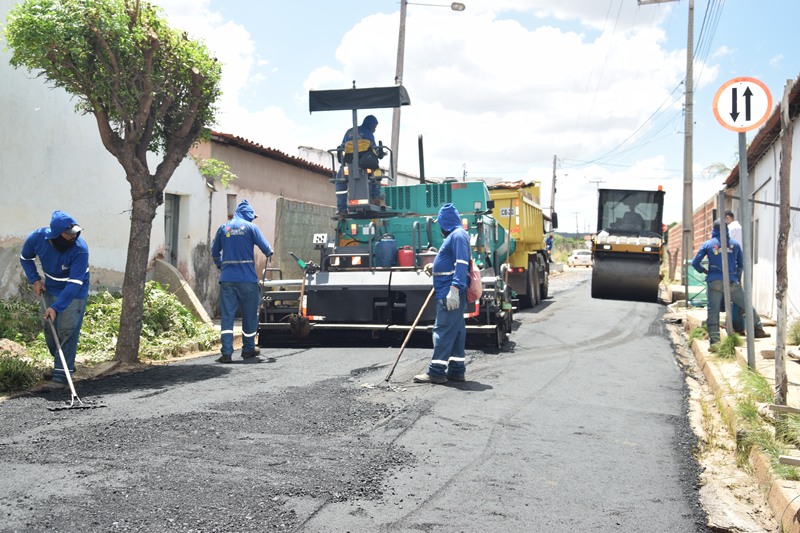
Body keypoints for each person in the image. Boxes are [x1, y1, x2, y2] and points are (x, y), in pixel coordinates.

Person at [19, 210, 90, 385]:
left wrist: (57, 307)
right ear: (57, 234)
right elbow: (25, 258)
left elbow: (74, 283)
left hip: (74, 292)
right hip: (51, 288)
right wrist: (35, 280)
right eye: (69, 234)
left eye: (75, 232)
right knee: (49, 330)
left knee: (67, 331)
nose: (74, 236)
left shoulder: (80, 249)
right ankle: (64, 364)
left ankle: (61, 375)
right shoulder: (37, 238)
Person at [211, 199, 273, 363]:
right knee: (250, 315)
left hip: (227, 280)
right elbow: (267, 249)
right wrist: (269, 252)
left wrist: (221, 265)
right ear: (248, 215)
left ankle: (226, 353)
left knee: (227, 316)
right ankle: (248, 349)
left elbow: (214, 252)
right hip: (247, 280)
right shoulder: (251, 228)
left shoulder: (224, 228)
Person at [414, 203, 470, 384]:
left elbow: (462, 263)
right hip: (449, 289)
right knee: (456, 331)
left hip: (449, 291)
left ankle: (436, 371)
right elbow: (452, 262)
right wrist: (435, 268)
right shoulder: (457, 235)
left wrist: (454, 288)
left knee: (443, 330)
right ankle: (456, 370)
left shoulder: (457, 235)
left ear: (445, 222)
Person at [691, 219, 769, 346]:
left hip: (715, 282)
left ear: (714, 229)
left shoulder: (708, 244)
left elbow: (695, 263)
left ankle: (715, 342)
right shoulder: (735, 244)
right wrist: (736, 278)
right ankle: (758, 329)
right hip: (731, 282)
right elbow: (741, 265)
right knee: (746, 305)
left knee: (713, 311)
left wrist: (706, 271)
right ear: (727, 229)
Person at [335, 114, 384, 214]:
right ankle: (376, 199)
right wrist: (381, 153)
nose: (375, 129)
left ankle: (341, 209)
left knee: (340, 181)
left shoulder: (349, 132)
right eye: (375, 126)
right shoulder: (369, 134)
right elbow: (375, 151)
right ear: (370, 124)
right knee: (376, 175)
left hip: (348, 164)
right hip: (365, 164)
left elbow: (342, 147)